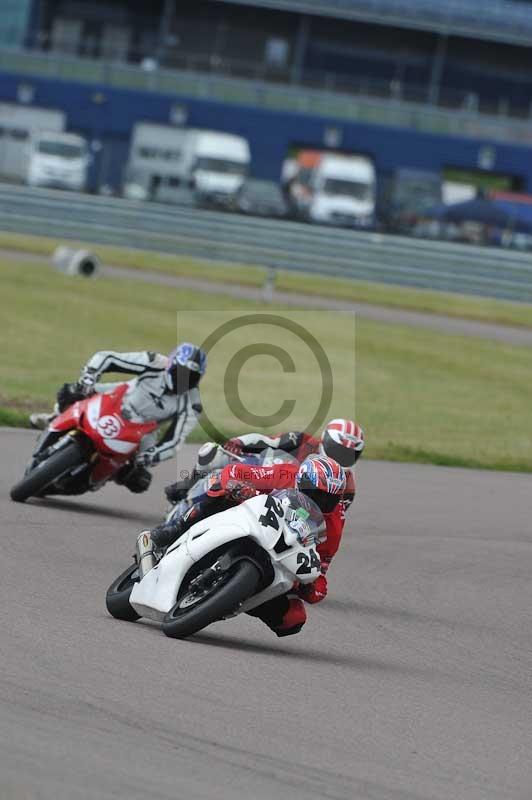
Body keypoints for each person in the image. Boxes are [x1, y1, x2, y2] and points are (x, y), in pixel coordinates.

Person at [150, 454, 347, 637]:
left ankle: (229, 599)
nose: (320, 501)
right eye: (315, 493)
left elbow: (321, 564)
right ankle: (176, 528)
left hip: (279, 555)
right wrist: (240, 487)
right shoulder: (285, 474)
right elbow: (234, 471)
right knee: (219, 486)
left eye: (329, 499)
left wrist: (313, 587)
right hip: (249, 519)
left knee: (293, 620)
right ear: (301, 480)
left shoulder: (334, 525)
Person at [30, 343, 206, 493]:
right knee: (70, 392)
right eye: (180, 372)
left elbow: (175, 441)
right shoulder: (154, 362)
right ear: (170, 364)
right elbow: (107, 358)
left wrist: (151, 456)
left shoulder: (193, 403)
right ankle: (53, 418)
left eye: (191, 377)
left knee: (139, 478)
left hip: (144, 429)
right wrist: (89, 377)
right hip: (117, 397)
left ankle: (107, 475)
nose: (184, 379)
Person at [165, 418, 364, 509]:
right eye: (339, 450)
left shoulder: (345, 485)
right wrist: (238, 443)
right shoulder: (303, 441)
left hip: (287, 510)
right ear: (326, 441)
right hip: (259, 475)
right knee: (212, 453)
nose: (341, 457)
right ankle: (187, 485)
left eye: (349, 454)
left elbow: (331, 520)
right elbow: (266, 441)